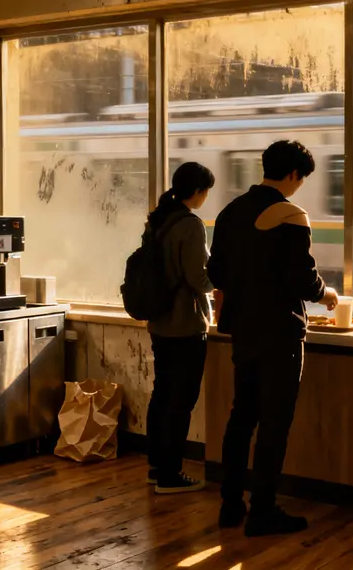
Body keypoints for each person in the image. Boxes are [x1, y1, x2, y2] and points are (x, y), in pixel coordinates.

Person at [207, 140, 339, 537]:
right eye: (302, 179)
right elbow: (302, 277)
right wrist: (326, 295)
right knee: (274, 423)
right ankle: (263, 510)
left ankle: (231, 506)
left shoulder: (231, 212)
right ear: (294, 175)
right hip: (281, 332)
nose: (301, 186)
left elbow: (216, 273)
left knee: (241, 417)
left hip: (243, 330)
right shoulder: (291, 214)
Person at [145, 162, 216, 494]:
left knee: (162, 394)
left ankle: (157, 465)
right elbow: (199, 279)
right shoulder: (190, 225)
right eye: (205, 191)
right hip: (185, 325)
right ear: (197, 191)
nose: (206, 197)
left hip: (159, 322)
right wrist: (222, 271)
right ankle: (170, 475)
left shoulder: (159, 219)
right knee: (181, 400)